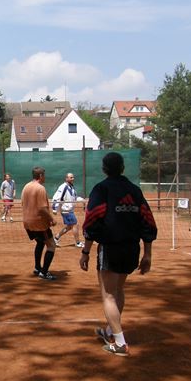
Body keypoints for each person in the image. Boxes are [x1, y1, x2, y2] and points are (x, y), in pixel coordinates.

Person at [79, 152, 157, 357]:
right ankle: (109, 332)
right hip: (131, 249)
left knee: (109, 295)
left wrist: (86, 252)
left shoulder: (102, 189)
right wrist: (147, 254)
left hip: (111, 248)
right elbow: (148, 221)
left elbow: (92, 221)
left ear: (104, 169)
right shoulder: (134, 190)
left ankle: (120, 343)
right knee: (118, 290)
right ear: (122, 168)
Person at [21, 166, 57, 280]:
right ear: (40, 176)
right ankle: (44, 272)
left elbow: (23, 203)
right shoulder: (40, 188)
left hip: (27, 222)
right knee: (51, 245)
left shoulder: (26, 186)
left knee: (40, 242)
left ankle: (37, 268)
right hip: (39, 224)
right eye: (44, 175)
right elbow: (42, 208)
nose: (45, 177)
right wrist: (51, 219)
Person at [51, 172, 84, 248]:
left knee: (69, 227)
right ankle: (78, 243)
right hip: (66, 210)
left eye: (73, 177)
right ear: (66, 178)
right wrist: (54, 208)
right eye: (71, 177)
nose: (73, 179)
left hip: (69, 210)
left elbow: (74, 198)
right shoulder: (63, 187)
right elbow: (56, 197)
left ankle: (55, 239)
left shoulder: (71, 187)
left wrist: (82, 200)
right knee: (75, 224)